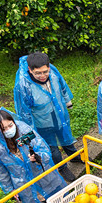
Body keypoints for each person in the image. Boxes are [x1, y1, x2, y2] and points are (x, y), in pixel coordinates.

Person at [0, 108, 68, 203]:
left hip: (43, 175)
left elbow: (43, 148)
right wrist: (10, 189)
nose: (9, 130)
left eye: (10, 125)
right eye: (4, 129)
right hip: (24, 185)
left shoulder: (23, 130)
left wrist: (38, 157)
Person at [14, 51, 77, 182]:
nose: (42, 76)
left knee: (65, 136)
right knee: (52, 147)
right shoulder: (24, 86)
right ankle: (62, 167)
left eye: (45, 72)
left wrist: (67, 100)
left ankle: (75, 155)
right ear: (30, 70)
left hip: (58, 114)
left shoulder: (53, 73)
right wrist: (29, 131)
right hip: (42, 121)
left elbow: (62, 85)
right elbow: (24, 111)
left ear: (48, 67)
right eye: (38, 73)